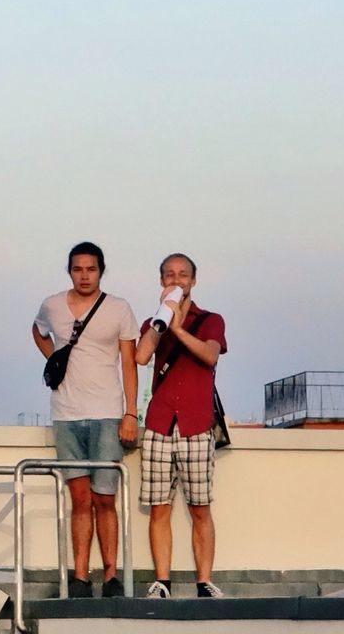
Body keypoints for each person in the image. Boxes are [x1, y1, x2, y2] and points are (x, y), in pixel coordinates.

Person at [33, 242, 139, 598]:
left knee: (105, 498)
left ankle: (111, 575)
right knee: (78, 498)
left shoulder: (119, 308)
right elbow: (37, 329)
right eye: (78, 269)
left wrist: (130, 412)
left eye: (90, 269)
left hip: (107, 413)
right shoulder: (52, 305)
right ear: (69, 271)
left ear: (101, 271)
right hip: (66, 414)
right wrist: (54, 357)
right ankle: (80, 576)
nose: (84, 275)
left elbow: (128, 362)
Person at [135, 252, 227, 600]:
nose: (177, 280)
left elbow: (210, 355)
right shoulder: (153, 322)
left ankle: (205, 581)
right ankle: (163, 581)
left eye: (183, 275)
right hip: (160, 423)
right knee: (159, 507)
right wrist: (162, 323)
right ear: (161, 282)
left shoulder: (210, 320)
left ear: (193, 280)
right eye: (170, 275)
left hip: (194, 424)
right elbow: (142, 356)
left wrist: (177, 328)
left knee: (199, 506)